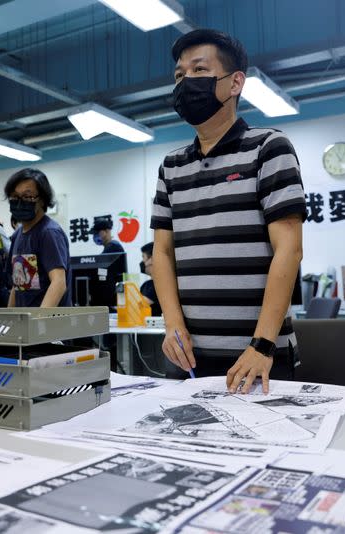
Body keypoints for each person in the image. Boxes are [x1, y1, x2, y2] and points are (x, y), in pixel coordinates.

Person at [151, 29, 306, 394]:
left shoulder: (268, 148)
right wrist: (172, 326)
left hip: (259, 360)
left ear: (235, 82)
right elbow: (162, 252)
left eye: (199, 70)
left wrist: (262, 345)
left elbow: (289, 249)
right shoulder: (170, 167)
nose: (186, 81)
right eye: (179, 75)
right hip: (189, 360)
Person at [5, 168, 71, 308]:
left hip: (48, 325)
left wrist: (38, 321)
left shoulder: (49, 233)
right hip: (25, 325)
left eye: (27, 197)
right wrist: (9, 319)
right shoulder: (17, 235)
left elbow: (58, 283)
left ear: (42, 200)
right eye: (14, 197)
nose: (19, 202)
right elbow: (17, 286)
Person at [139, 242, 162, 317]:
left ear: (152, 259)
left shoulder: (160, 285)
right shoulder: (146, 285)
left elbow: (139, 304)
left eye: (143, 257)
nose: (142, 262)